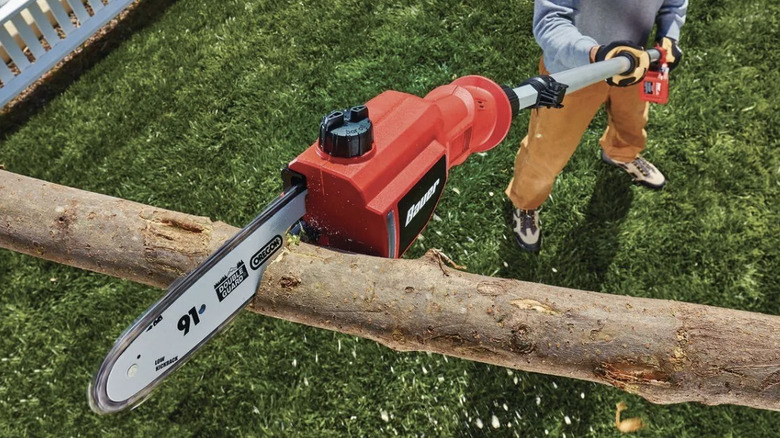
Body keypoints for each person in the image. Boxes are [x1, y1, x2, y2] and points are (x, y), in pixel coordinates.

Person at [506, 0, 687, 252]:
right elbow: (550, 21)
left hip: (636, 63)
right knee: (547, 151)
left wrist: (669, 34)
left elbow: (674, 4)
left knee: (632, 122)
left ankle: (621, 153)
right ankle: (525, 203)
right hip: (573, 71)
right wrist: (595, 54)